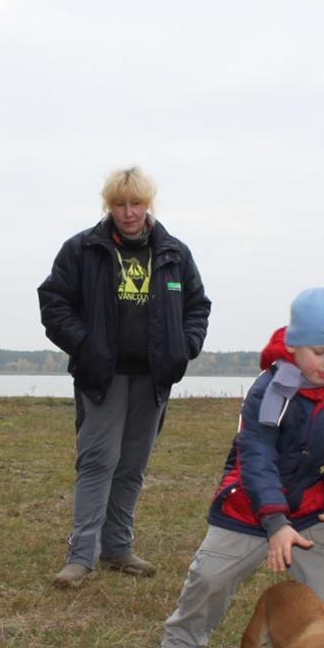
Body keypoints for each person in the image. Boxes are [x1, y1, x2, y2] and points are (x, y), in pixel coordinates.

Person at [157, 288, 324, 648]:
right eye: (319, 352)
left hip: (311, 512)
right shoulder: (268, 392)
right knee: (209, 578)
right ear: (293, 345)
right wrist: (275, 522)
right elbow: (257, 457)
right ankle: (181, 642)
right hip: (249, 509)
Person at [37, 166, 211, 590]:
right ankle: (81, 556)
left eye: (136, 203)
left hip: (153, 379)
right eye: (119, 204)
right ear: (108, 205)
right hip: (102, 377)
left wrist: (183, 347)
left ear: (148, 205)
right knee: (98, 461)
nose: (129, 212)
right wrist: (86, 345)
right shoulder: (82, 249)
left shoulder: (174, 253)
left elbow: (197, 307)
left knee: (132, 465)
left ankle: (117, 547)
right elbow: (54, 302)